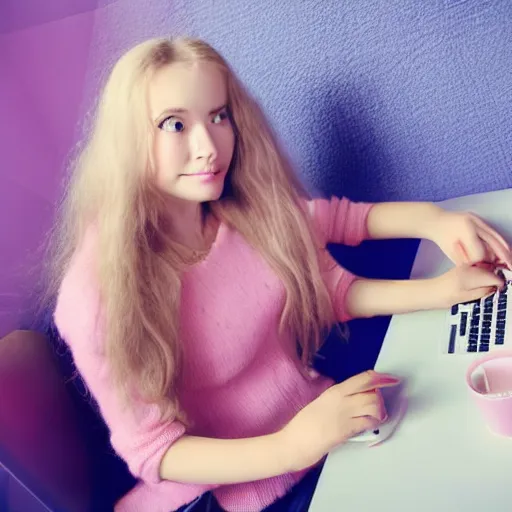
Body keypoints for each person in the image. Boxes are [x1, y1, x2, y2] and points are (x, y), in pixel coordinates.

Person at [47, 37, 511, 512]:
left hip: (318, 441)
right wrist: (291, 445)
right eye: (174, 124)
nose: (208, 147)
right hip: (218, 498)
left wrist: (434, 231)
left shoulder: (235, 214)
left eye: (219, 116)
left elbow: (334, 254)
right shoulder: (97, 292)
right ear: (127, 140)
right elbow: (156, 451)